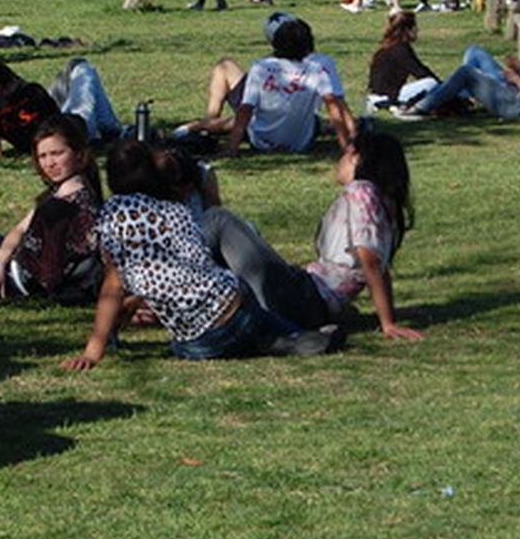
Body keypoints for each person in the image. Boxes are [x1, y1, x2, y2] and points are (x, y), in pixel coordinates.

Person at [62, 138, 336, 369]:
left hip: (206, 338)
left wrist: (93, 351)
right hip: (239, 301)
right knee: (247, 316)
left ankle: (272, 343)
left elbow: (113, 286)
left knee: (185, 346)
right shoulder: (176, 210)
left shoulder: (112, 217)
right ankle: (293, 334)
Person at [199, 131, 422, 338]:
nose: (340, 161)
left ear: (357, 157)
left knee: (218, 220)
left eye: (345, 154)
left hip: (302, 298)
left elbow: (370, 260)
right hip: (312, 304)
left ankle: (173, 275)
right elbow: (379, 270)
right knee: (240, 239)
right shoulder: (385, 205)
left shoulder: (361, 192)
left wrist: (388, 323)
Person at [398, 0, 520, 119]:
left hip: (516, 105)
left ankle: (421, 107)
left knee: (466, 73)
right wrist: (518, 68)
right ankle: (457, 98)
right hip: (512, 91)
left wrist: (516, 78)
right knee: (474, 52)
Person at [188, 16, 357, 154]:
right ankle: (204, 126)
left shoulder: (261, 67)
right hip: (301, 142)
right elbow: (335, 104)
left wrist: (232, 147)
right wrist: (347, 145)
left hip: (260, 139)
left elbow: (245, 110)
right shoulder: (321, 65)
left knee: (225, 67)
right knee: (310, 118)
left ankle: (201, 125)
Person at [0, 114, 104, 303]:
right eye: (42, 156)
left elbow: (48, 274)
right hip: (9, 258)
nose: (49, 163)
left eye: (57, 154)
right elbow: (20, 229)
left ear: (79, 155)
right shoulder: (59, 193)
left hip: (17, 274)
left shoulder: (70, 201)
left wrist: (1, 270)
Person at [367, 10, 439, 111]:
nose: (417, 30)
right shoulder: (400, 49)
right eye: (415, 27)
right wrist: (443, 86)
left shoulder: (390, 46)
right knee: (431, 83)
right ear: (407, 29)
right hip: (388, 97)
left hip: (378, 94)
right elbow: (421, 72)